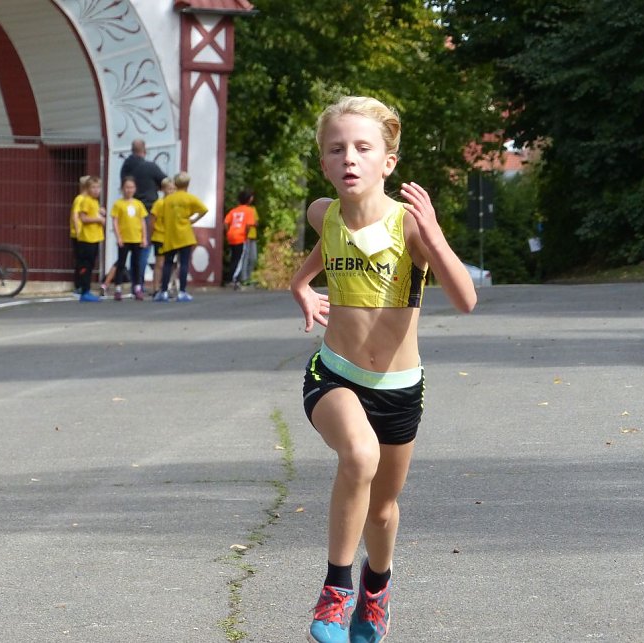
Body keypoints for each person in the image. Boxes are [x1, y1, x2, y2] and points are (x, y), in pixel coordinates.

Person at [290, 96, 477, 643]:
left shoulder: (409, 227)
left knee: (383, 508)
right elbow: (324, 250)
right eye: (336, 149)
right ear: (324, 164)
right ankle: (336, 589)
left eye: (362, 148)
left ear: (388, 162)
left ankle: (376, 589)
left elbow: (465, 300)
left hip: (398, 389)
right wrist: (301, 286)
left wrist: (435, 236)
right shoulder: (323, 213)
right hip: (334, 375)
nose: (349, 158)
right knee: (359, 455)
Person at [153, 172, 207, 303]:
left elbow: (162, 217)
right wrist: (193, 219)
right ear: (187, 184)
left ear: (175, 185)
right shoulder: (190, 198)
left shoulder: (168, 200)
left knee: (167, 263)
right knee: (184, 263)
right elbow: (204, 209)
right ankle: (182, 291)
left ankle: (163, 291)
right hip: (185, 235)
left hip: (170, 235)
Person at [109, 177, 149, 301]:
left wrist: (144, 237)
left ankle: (137, 287)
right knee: (121, 264)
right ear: (122, 189)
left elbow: (142, 221)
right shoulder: (118, 204)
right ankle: (118, 288)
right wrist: (118, 237)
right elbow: (115, 221)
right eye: (127, 187)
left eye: (131, 187)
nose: (129, 190)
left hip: (136, 238)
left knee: (136, 264)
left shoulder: (138, 204)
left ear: (135, 189)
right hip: (124, 238)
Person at [74, 176, 106, 302]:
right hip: (87, 238)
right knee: (86, 264)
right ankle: (84, 290)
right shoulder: (86, 201)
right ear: (87, 189)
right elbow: (83, 218)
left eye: (98, 187)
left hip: (95, 237)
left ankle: (86, 289)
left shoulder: (95, 202)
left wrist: (100, 213)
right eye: (93, 187)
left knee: (91, 264)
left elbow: (93, 214)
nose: (96, 190)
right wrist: (98, 219)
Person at [119, 139, 167, 214]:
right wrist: (157, 187)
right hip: (148, 207)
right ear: (144, 151)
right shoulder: (151, 167)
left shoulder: (125, 167)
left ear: (132, 150)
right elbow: (166, 182)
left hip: (130, 208)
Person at [224, 189, 258, 290]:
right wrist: (245, 234)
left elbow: (225, 223)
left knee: (234, 258)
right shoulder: (249, 210)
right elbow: (248, 225)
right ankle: (232, 279)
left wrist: (228, 232)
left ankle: (232, 278)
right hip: (241, 236)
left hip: (231, 235)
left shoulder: (234, 210)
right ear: (249, 199)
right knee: (240, 259)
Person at [149, 177, 177, 298]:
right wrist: (151, 235)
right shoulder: (159, 203)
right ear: (163, 190)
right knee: (159, 264)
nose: (171, 191)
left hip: (172, 238)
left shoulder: (175, 205)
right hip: (160, 237)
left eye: (173, 189)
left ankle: (167, 286)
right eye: (169, 189)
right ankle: (156, 288)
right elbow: (152, 221)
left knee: (170, 263)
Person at [70, 175, 89, 294]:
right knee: (80, 260)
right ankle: (79, 285)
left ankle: (82, 284)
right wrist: (78, 232)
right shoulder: (80, 199)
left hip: (85, 234)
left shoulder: (86, 200)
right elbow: (75, 215)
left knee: (83, 260)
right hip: (79, 234)